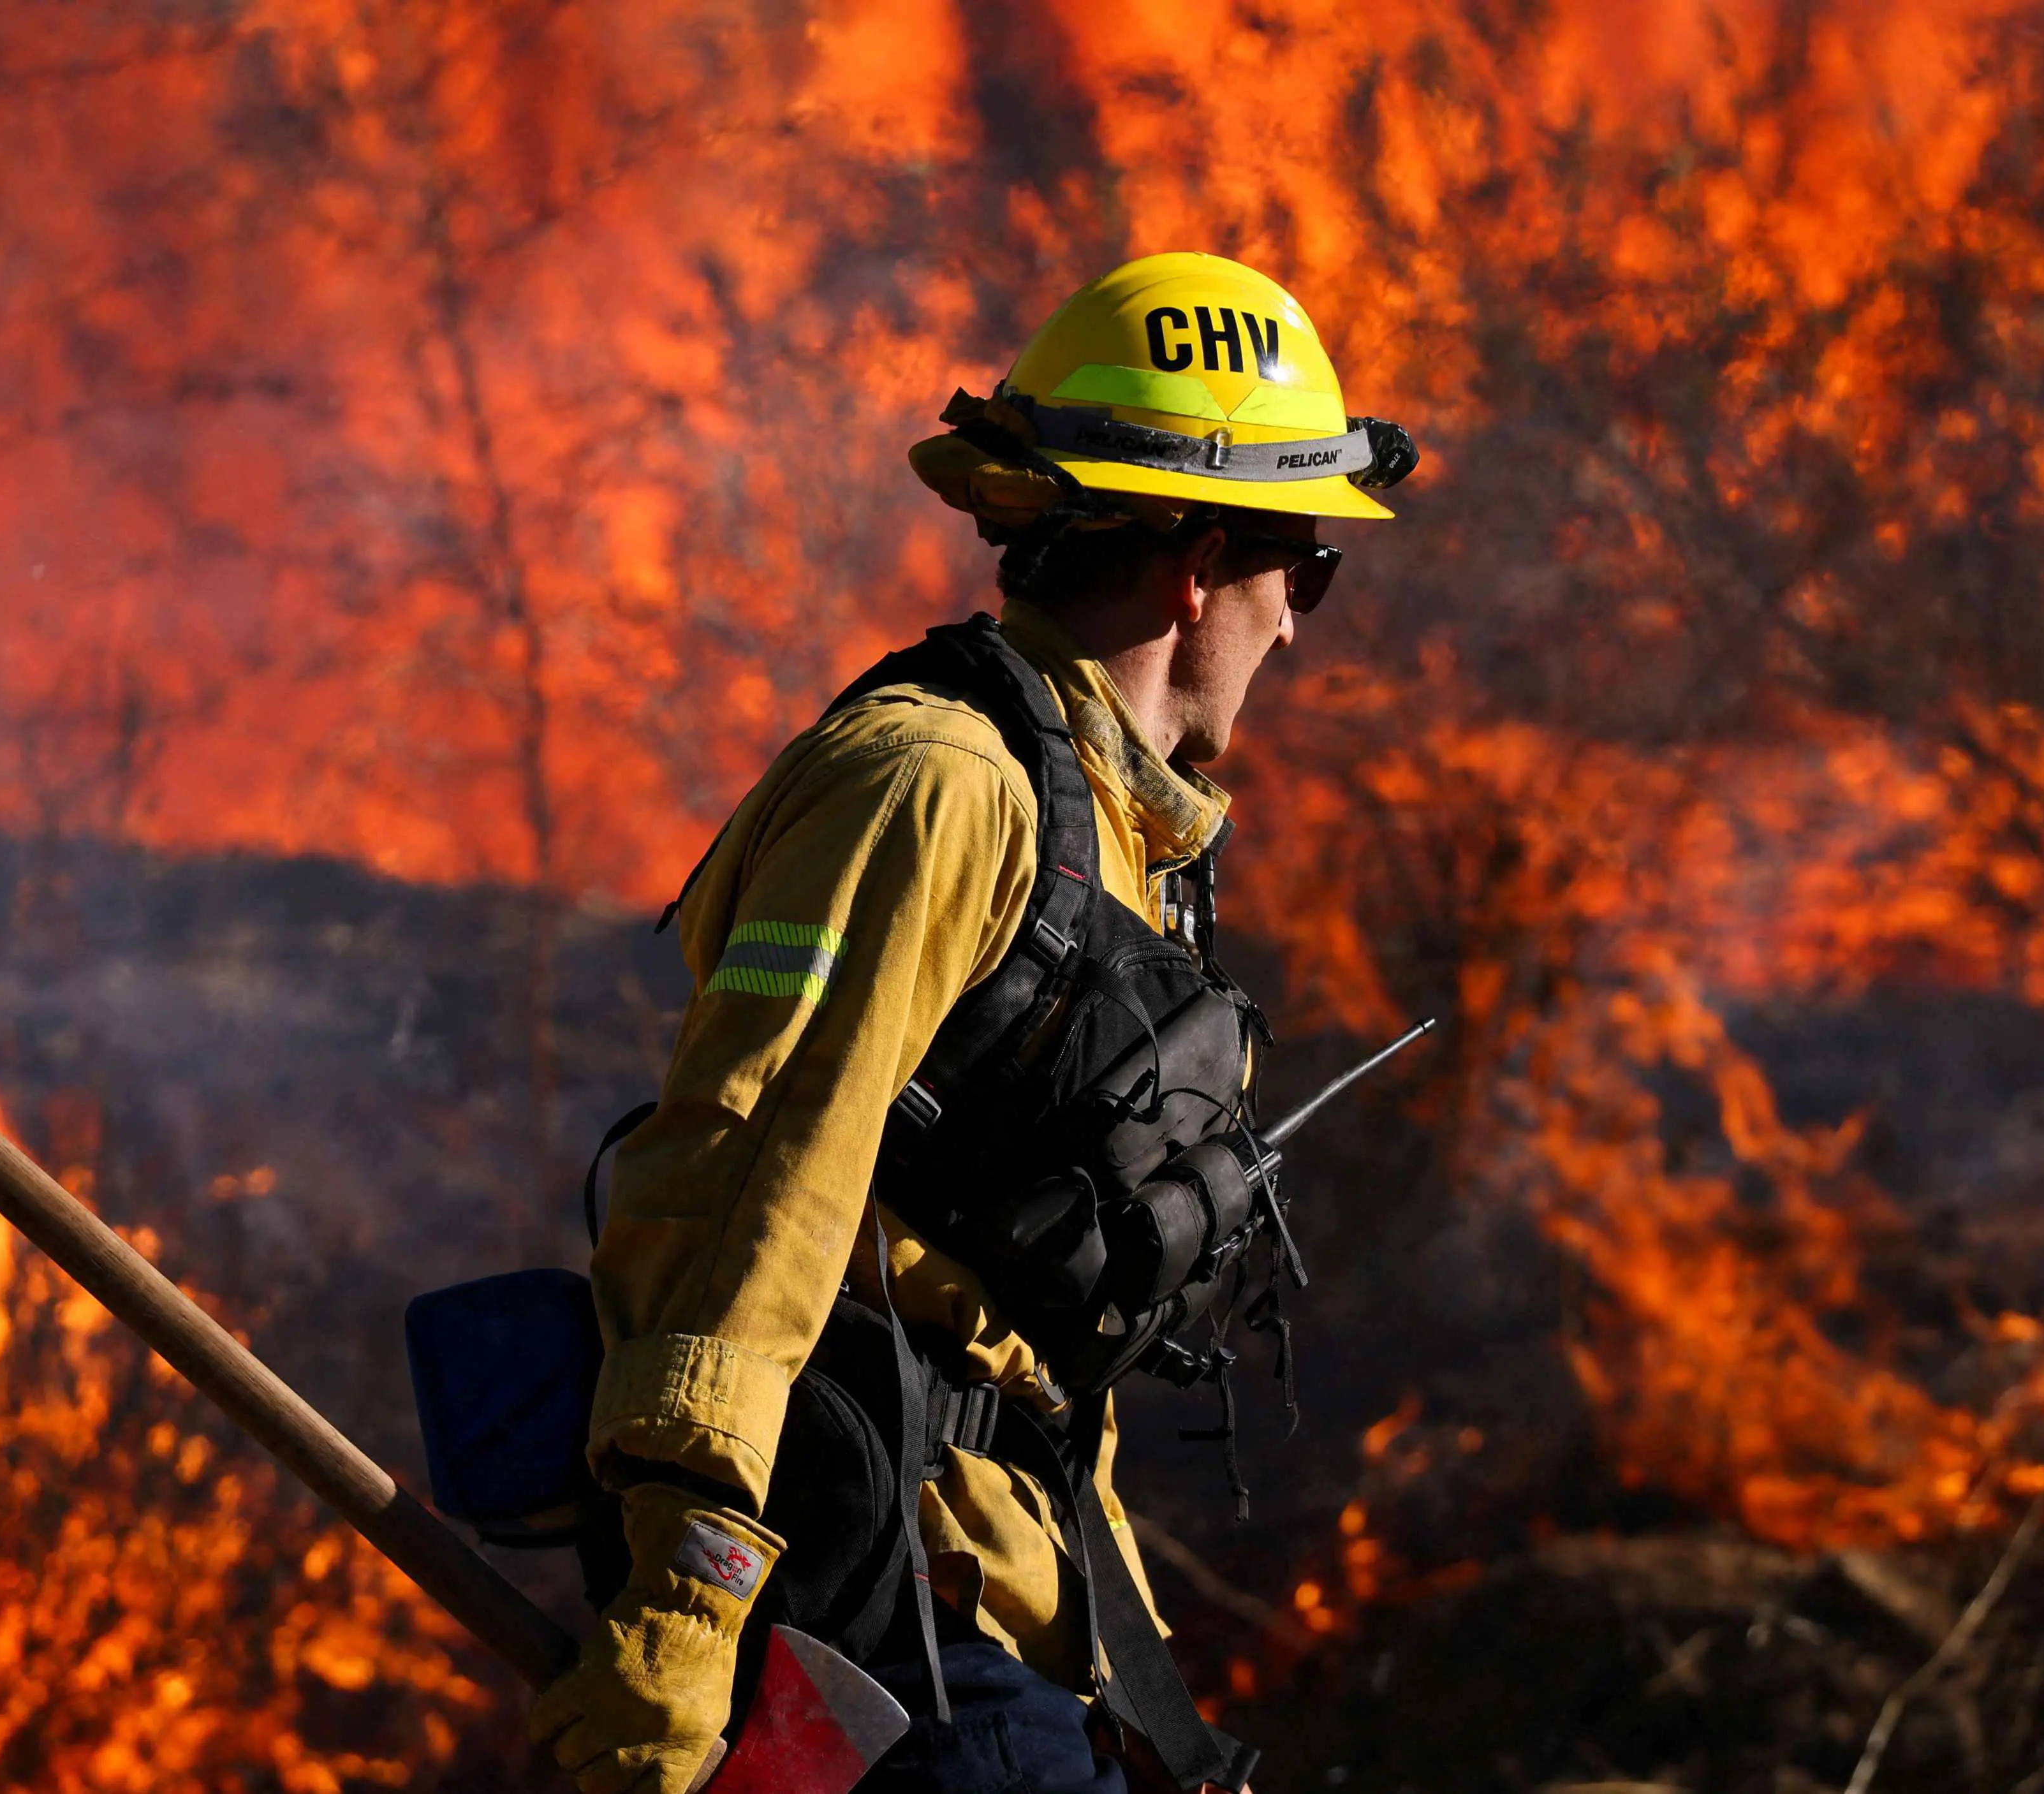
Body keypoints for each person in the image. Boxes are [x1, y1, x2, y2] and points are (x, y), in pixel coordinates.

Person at [531, 251, 1419, 1794]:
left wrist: (1139, 1691)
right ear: (1201, 557)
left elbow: (1026, 1359)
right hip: (880, 1628)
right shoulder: (935, 785)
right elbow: (744, 1196)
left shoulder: (1118, 844)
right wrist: (681, 1621)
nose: (1297, 627)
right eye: (1309, 568)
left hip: (1013, 1613)